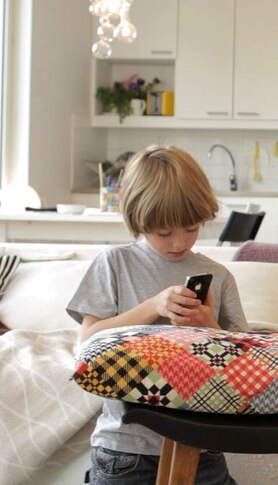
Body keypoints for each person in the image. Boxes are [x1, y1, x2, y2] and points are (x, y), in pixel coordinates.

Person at [68, 145, 248, 485]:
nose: (179, 242)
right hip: (126, 449)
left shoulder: (218, 276)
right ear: (138, 219)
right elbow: (87, 342)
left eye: (192, 228)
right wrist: (153, 307)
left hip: (203, 447)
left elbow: (242, 361)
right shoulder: (115, 264)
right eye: (164, 232)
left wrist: (207, 325)